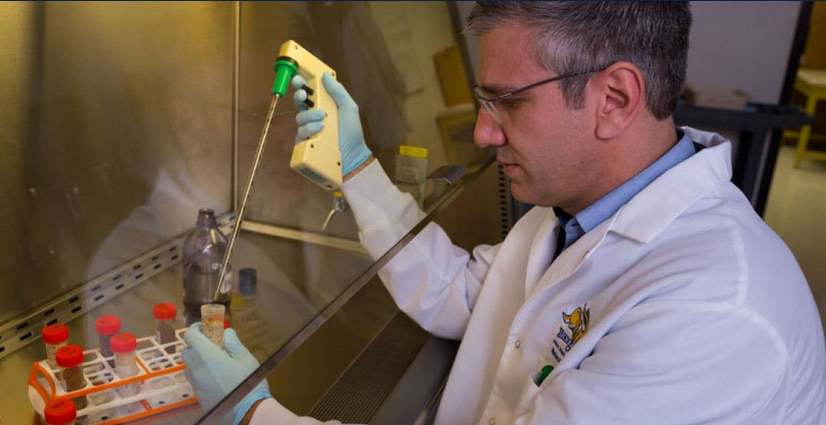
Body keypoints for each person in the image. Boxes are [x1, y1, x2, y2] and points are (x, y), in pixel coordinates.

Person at [182, 2, 826, 424]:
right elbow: (464, 292)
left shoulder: (712, 312)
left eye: (506, 103)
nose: (484, 134)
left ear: (615, 98)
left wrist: (252, 418)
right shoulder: (572, 213)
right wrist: (356, 168)